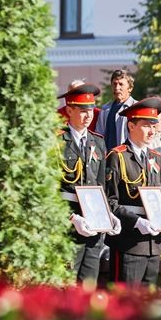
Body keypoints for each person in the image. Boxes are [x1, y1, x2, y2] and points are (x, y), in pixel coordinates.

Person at [105, 97, 161, 286]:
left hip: (153, 243)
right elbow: (110, 202)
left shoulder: (156, 157)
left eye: (154, 126)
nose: (152, 131)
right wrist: (136, 221)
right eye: (147, 125)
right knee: (126, 301)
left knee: (148, 303)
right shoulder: (118, 156)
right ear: (131, 126)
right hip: (129, 242)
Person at [58, 81, 120, 282]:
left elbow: (101, 185)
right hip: (67, 224)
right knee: (65, 284)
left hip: (94, 224)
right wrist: (71, 218)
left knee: (88, 284)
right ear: (69, 110)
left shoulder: (97, 141)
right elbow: (49, 190)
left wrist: (108, 214)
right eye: (82, 111)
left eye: (91, 110)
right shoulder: (57, 141)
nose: (88, 116)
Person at [96, 70, 136, 152]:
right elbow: (98, 136)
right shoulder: (105, 109)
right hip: (107, 158)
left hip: (128, 158)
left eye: (121, 84)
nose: (117, 88)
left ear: (130, 88)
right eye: (114, 84)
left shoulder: (136, 108)